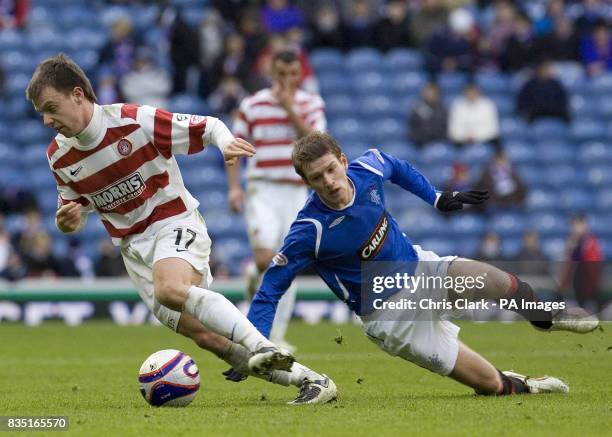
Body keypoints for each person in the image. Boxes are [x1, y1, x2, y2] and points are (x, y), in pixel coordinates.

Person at [26, 53, 336, 405]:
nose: (48, 120)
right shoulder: (59, 156)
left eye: (51, 107)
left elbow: (208, 126)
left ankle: (263, 344)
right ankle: (311, 381)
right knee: (209, 339)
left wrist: (225, 143)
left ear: (78, 94)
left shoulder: (134, 120)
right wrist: (68, 220)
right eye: (42, 114)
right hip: (134, 250)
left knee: (171, 289)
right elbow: (74, 209)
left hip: (173, 220)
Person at [243, 131, 599, 397]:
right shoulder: (310, 230)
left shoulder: (368, 168)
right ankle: (523, 384)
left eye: (331, 170)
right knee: (491, 385)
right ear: (305, 182)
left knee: (498, 281)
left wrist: (436, 197)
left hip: (423, 271)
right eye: (317, 178)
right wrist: (255, 347)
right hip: (392, 319)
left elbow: (396, 166)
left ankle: (547, 317)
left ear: (343, 160)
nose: (329, 182)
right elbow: (271, 288)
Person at [228, 50, 326, 352]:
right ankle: (254, 277)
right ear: (271, 71)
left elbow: (319, 146)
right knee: (264, 260)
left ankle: (275, 335)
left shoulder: (311, 104)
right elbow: (234, 147)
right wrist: (234, 188)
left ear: (300, 74)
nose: (287, 80)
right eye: (281, 74)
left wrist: (289, 109)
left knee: (288, 261)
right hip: (263, 188)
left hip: (296, 190)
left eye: (293, 74)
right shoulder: (253, 104)